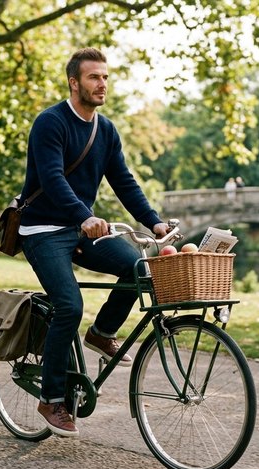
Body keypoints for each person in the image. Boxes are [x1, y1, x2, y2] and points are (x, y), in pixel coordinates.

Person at [18, 48, 169, 438]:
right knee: (69, 304)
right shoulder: (50, 123)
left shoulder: (106, 130)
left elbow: (123, 181)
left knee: (137, 266)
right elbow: (52, 179)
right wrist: (83, 216)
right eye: (93, 77)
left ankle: (101, 333)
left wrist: (153, 223)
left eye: (105, 77)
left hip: (81, 229)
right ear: (74, 82)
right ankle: (52, 399)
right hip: (43, 230)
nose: (102, 83)